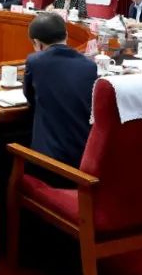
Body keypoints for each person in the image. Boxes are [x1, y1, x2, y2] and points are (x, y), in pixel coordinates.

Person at [23, 13, 95, 169]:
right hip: (83, 158)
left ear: (37, 43)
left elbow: (30, 98)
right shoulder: (90, 66)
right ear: (66, 35)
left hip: (50, 165)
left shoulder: (35, 62)